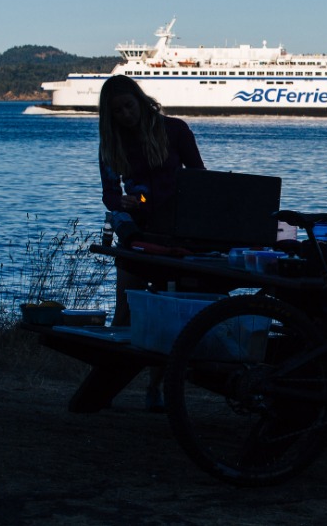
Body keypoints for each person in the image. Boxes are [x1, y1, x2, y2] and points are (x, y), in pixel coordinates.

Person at [98, 74, 204, 411]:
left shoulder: (175, 130)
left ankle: (155, 388)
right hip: (138, 235)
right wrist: (121, 202)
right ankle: (106, 387)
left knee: (169, 314)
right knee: (124, 310)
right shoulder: (111, 143)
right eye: (117, 111)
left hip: (176, 233)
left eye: (128, 106)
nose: (125, 115)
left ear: (140, 101)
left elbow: (200, 176)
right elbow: (109, 194)